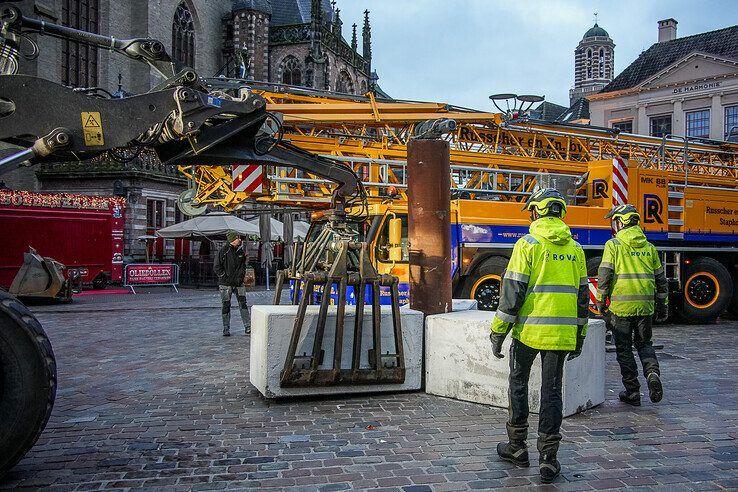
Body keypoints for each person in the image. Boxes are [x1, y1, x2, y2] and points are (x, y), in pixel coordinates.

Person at [490, 188, 589, 484]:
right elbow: (582, 298)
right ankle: (549, 459)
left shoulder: (527, 244)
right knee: (552, 392)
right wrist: (579, 334)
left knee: (518, 382)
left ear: (537, 212)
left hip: (528, 332)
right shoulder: (576, 249)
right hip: (560, 334)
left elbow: (512, 293)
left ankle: (517, 448)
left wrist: (498, 332)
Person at [596, 204, 668, 406]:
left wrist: (600, 302)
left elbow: (605, 275)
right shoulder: (649, 247)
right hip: (645, 307)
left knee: (624, 348)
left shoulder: (614, 245)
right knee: (645, 344)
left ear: (621, 222)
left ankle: (632, 391)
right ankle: (652, 373)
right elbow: (661, 281)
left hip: (621, 308)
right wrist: (663, 306)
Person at [214, 230, 250, 336]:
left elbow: (243, 266)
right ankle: (226, 328)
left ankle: (248, 326)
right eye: (237, 238)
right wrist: (224, 277)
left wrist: (241, 277)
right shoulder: (223, 251)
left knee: (243, 304)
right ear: (232, 240)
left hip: (239, 283)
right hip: (225, 284)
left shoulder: (240, 251)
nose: (240, 240)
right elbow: (217, 267)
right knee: (226, 305)